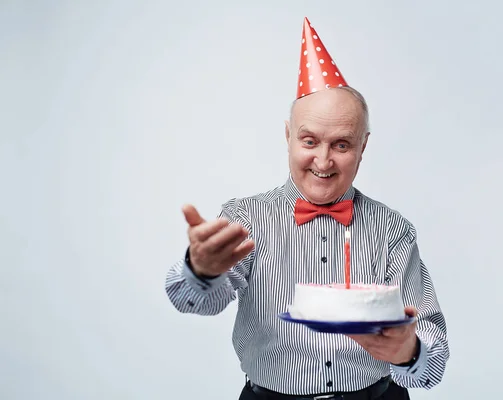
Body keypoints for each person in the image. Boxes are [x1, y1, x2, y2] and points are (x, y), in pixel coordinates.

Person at [165, 17, 449, 400]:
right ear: (288, 137)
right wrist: (200, 270)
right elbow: (191, 301)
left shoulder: (392, 230)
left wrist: (408, 352)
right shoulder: (245, 219)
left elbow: (432, 359)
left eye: (342, 145)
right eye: (310, 141)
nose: (324, 160)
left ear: (363, 147)